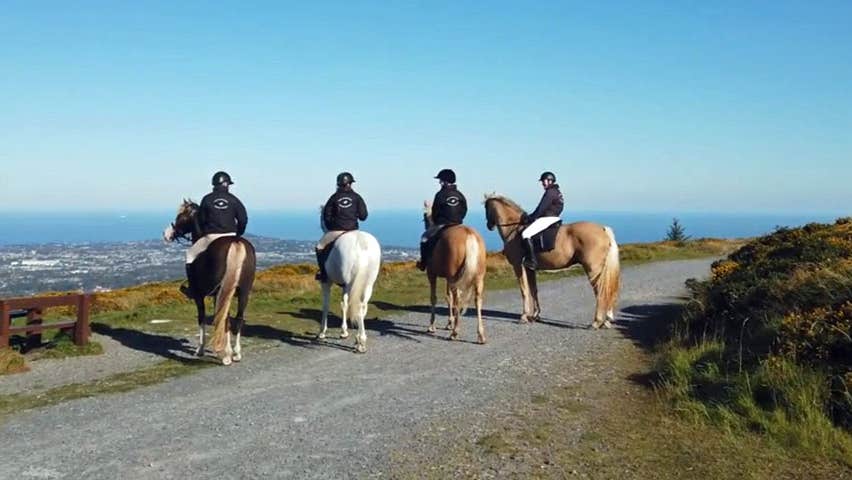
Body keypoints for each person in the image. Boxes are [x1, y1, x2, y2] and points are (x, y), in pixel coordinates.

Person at [181, 171, 248, 297]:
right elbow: (243, 219)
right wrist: (238, 234)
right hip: (232, 235)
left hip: (212, 237)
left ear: (214, 185)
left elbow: (200, 221)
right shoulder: (234, 200)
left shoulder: (207, 199)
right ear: (226, 184)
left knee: (189, 255)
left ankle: (193, 288)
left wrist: (203, 233)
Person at [315, 172, 368, 281]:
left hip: (337, 231)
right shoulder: (357, 197)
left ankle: (323, 274)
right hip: (353, 230)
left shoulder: (334, 198)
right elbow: (363, 216)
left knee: (319, 247)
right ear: (351, 183)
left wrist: (333, 225)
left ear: (338, 184)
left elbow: (326, 216)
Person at [417, 168, 468, 271]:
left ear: (445, 181)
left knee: (424, 238)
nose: (439, 182)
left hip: (444, 224)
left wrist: (436, 221)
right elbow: (464, 209)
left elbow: (435, 211)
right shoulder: (460, 195)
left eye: (440, 180)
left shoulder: (440, 195)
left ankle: (423, 263)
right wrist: (458, 220)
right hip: (458, 224)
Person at [521, 171, 563, 269]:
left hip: (548, 218)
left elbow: (541, 208)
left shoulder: (550, 192)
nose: (543, 183)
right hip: (555, 217)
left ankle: (532, 261)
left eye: (544, 181)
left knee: (525, 234)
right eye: (542, 181)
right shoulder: (557, 192)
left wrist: (530, 218)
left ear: (550, 181)